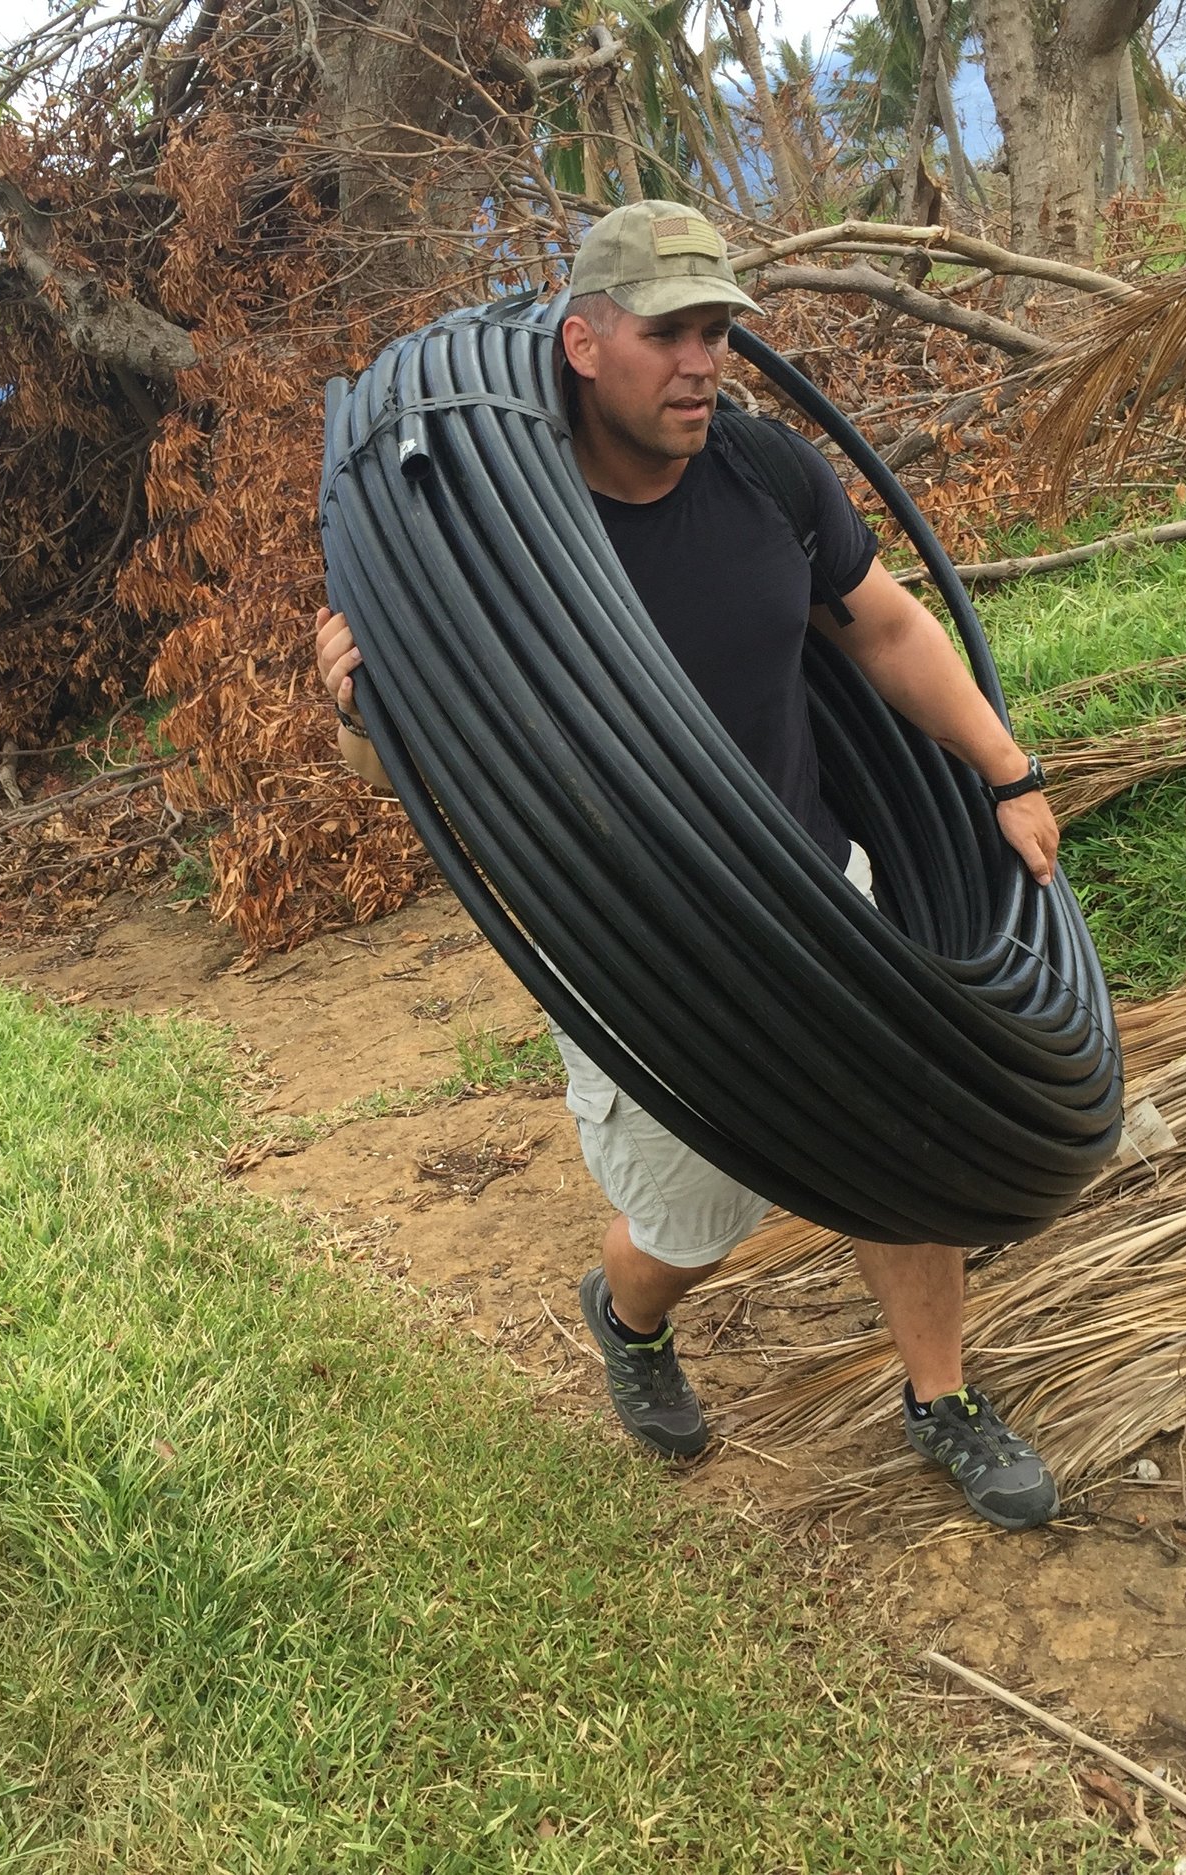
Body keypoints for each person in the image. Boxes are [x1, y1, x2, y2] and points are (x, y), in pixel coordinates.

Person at [313, 201, 1067, 1530]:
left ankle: (941, 1396)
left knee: (900, 1137)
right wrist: (361, 708)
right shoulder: (488, 538)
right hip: (629, 934)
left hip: (817, 885)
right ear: (586, 340)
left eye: (720, 329)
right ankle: (632, 1311)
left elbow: (881, 625)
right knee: (695, 1210)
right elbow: (428, 771)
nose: (702, 360)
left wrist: (1006, 770)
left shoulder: (767, 475)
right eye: (670, 332)